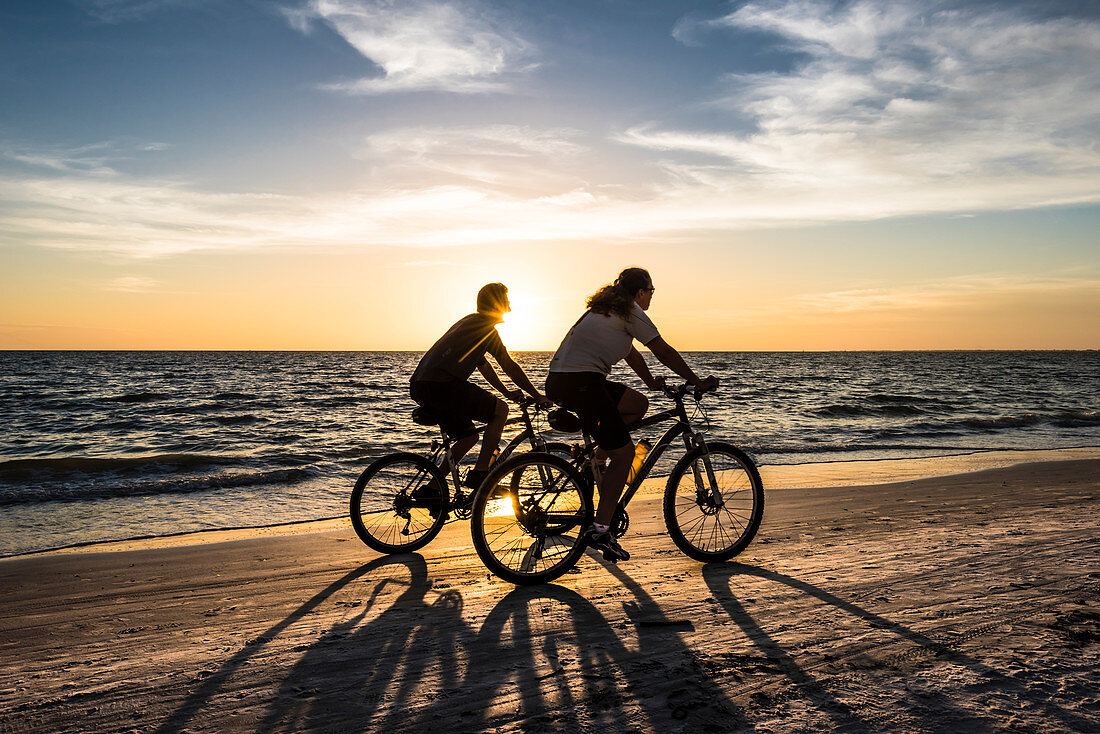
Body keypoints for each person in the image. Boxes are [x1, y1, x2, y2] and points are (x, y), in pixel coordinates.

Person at [545, 267, 717, 561]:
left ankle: (597, 458)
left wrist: (651, 384)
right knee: (624, 455)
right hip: (582, 382)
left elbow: (631, 353)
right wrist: (697, 381)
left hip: (565, 380)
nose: (651, 296)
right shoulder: (631, 310)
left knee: (638, 404)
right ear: (640, 292)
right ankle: (600, 530)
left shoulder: (606, 310)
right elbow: (661, 350)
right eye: (651, 291)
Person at [410, 283, 551, 495]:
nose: (510, 307)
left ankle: (432, 488)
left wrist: (507, 392)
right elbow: (508, 365)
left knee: (469, 437)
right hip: (442, 385)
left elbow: (483, 365)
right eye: (506, 302)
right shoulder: (486, 328)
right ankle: (481, 475)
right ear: (498, 304)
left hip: (422, 385)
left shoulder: (470, 323)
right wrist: (537, 395)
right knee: (501, 411)